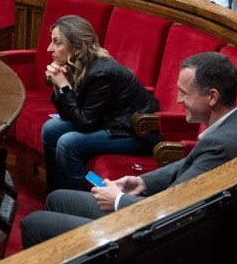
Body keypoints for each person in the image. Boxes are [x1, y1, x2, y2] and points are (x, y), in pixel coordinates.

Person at [20, 52, 237, 248]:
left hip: (155, 237)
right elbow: (189, 164)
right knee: (57, 198)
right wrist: (141, 182)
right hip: (158, 212)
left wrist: (118, 201)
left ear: (212, 97)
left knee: (34, 223)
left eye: (184, 93)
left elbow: (172, 213)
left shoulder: (222, 145)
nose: (178, 100)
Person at [37, 15, 160, 193]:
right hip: (111, 124)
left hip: (138, 134)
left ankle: (75, 203)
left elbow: (84, 124)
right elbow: (69, 115)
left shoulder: (102, 73)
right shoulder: (80, 64)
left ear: (77, 47)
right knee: (51, 128)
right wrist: (58, 86)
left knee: (68, 142)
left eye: (57, 42)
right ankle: (56, 196)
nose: (50, 49)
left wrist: (64, 85)